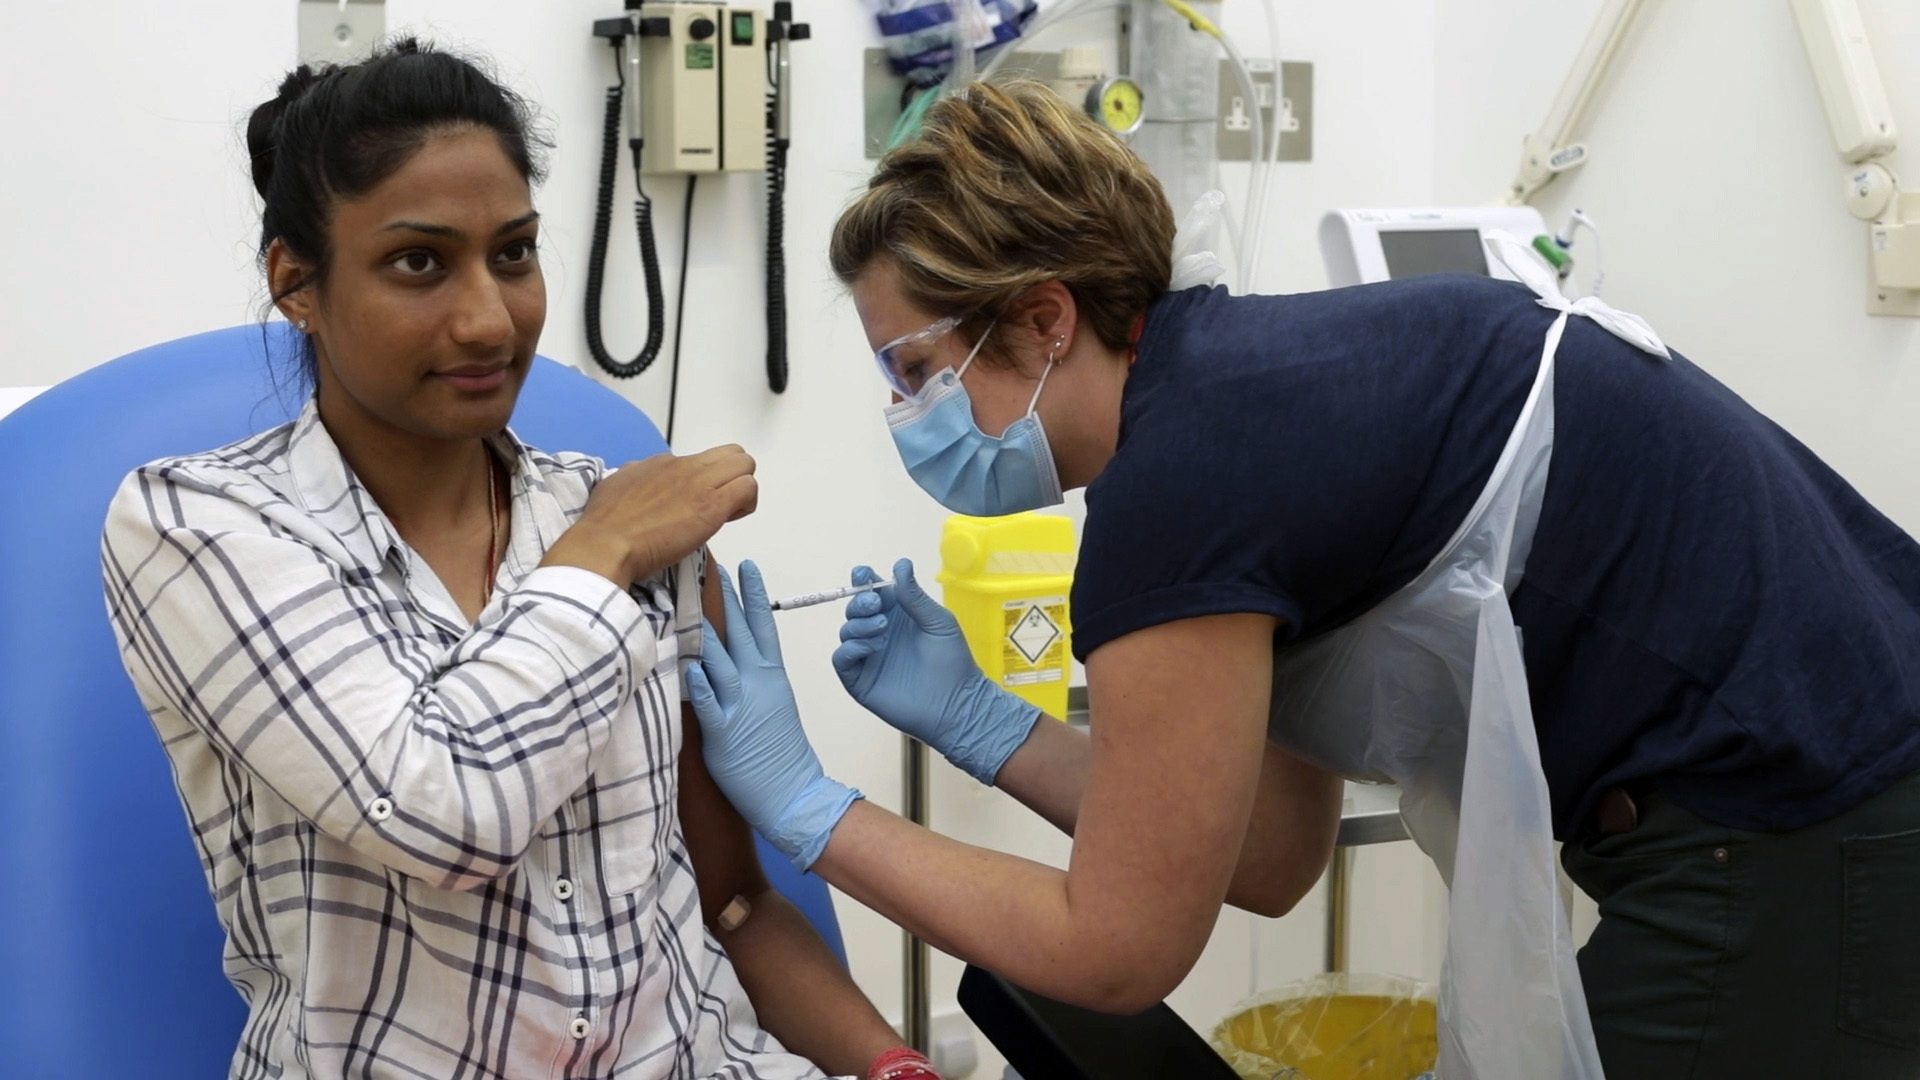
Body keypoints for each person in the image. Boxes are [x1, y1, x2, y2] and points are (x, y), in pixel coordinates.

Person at [686, 80, 1920, 1078]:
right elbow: (1271, 857)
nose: (905, 419)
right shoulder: (1226, 402)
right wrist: (978, 722)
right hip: (1834, 791)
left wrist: (811, 809)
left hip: (1805, 826)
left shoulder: (1185, 486)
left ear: (1044, 318)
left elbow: (1116, 952)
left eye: (913, 370)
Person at [101, 41, 938, 1080]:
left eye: (513, 254)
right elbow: (444, 815)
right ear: (296, 283)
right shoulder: (197, 528)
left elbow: (736, 904)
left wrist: (891, 1066)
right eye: (419, 262)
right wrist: (598, 556)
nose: (489, 319)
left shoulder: (614, 512)